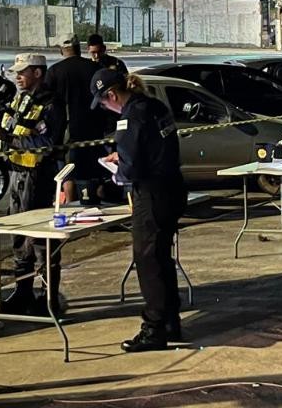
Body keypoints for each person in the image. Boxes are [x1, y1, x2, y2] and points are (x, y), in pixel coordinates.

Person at [93, 69, 187, 352]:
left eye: (103, 103)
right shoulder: (155, 106)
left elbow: (132, 167)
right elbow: (152, 148)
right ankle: (169, 321)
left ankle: (154, 328)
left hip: (151, 193)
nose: (105, 108)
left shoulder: (130, 117)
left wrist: (118, 172)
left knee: (147, 260)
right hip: (172, 187)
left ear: (112, 95)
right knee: (161, 257)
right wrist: (124, 158)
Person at [0, 54, 66, 316]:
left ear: (37, 73)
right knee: (19, 233)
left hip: (39, 175)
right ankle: (22, 292)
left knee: (41, 236)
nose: (17, 77)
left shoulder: (51, 103)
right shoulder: (20, 99)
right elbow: (13, 128)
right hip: (18, 173)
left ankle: (48, 298)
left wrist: (9, 139)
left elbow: (46, 143)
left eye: (22, 72)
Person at [45, 34, 103, 203]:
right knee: (95, 172)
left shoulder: (55, 71)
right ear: (79, 49)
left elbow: (47, 101)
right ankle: (98, 206)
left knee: (68, 172)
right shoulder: (95, 68)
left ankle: (71, 206)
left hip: (67, 131)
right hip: (94, 129)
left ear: (61, 50)